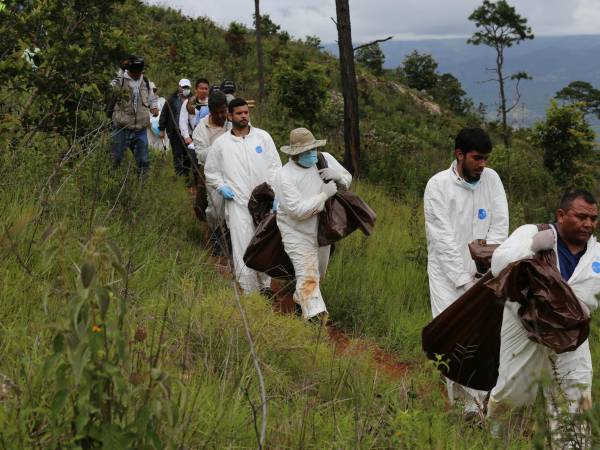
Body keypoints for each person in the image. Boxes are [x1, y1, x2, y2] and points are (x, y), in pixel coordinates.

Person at [487, 189, 600, 441]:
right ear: (561, 215)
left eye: (593, 218)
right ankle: (496, 438)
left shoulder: (597, 254)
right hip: (525, 326)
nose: (588, 224)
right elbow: (498, 263)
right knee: (512, 391)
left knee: (576, 396)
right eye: (581, 216)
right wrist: (531, 249)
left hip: (572, 335)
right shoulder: (533, 233)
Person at [423, 127, 509, 416]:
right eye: (476, 158)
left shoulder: (492, 180)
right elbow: (443, 240)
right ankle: (463, 410)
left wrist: (488, 268)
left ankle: (479, 406)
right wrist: (462, 280)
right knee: (454, 339)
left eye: (486, 158)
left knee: (482, 339)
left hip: (484, 277)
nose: (482, 164)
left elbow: (500, 225)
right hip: (447, 277)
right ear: (459, 154)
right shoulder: (438, 186)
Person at [204, 98, 282, 294]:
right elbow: (211, 171)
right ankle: (250, 291)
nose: (244, 116)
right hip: (238, 202)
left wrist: (276, 194)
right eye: (239, 113)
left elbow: (275, 167)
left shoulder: (262, 138)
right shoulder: (221, 144)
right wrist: (221, 186)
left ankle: (265, 286)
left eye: (246, 112)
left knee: (264, 242)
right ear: (230, 116)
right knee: (242, 245)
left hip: (265, 202)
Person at [273, 128, 351, 320]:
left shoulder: (324, 159)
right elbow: (297, 211)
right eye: (306, 152)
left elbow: (347, 180)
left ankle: (300, 302)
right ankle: (316, 321)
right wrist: (324, 195)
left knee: (318, 275)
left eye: (313, 149)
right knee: (308, 276)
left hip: (323, 232)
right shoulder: (284, 176)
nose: (312, 155)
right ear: (295, 153)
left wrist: (339, 177)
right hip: (296, 233)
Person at [110, 56, 158, 174]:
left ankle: (142, 187)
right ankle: (112, 182)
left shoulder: (146, 82)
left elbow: (152, 98)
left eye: (139, 72)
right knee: (116, 158)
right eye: (134, 72)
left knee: (143, 161)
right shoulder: (120, 81)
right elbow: (110, 88)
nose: (137, 74)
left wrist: (154, 107)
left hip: (140, 129)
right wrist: (121, 71)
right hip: (121, 127)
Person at [192, 91, 230, 228]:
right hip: (213, 172)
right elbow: (201, 155)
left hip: (234, 168)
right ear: (210, 111)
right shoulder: (201, 129)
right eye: (216, 113)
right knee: (215, 209)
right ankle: (216, 235)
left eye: (223, 112)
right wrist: (221, 145)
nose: (220, 116)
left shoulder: (232, 121)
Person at [159, 79, 191, 176]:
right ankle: (179, 175)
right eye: (183, 87)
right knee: (177, 154)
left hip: (189, 133)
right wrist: (161, 128)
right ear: (179, 87)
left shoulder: (194, 99)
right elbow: (164, 113)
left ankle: (186, 175)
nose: (185, 89)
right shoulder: (171, 99)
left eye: (187, 87)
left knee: (188, 154)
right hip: (174, 131)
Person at [147, 82, 169, 151]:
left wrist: (161, 130)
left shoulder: (162, 101)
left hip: (163, 131)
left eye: (154, 90)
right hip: (150, 132)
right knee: (152, 150)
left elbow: (166, 115)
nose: (152, 93)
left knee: (164, 150)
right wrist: (152, 127)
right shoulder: (144, 104)